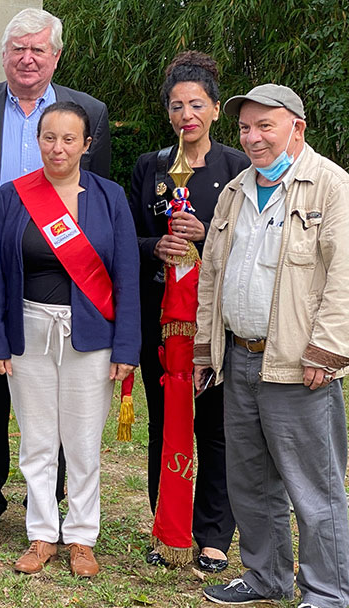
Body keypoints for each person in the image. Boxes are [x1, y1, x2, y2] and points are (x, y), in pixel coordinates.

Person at [0, 7, 112, 538]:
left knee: (63, 394)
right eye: (18, 48)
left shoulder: (86, 110)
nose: (27, 58)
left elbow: (99, 203)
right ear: (4, 55)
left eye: (38, 49)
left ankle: (56, 496)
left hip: (60, 270)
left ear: (55, 56)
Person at [196, 84, 349, 608]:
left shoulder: (330, 186)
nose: (253, 137)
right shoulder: (236, 189)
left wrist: (327, 350)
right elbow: (212, 274)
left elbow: (344, 276)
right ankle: (265, 578)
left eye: (266, 126)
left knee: (315, 486)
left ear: (297, 129)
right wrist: (203, 348)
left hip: (298, 364)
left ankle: (327, 593)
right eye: (245, 128)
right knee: (250, 482)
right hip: (238, 356)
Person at [0, 101, 139, 577]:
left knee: (84, 442)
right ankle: (42, 533)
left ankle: (82, 537)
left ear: (86, 145)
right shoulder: (13, 197)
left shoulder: (109, 197)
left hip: (91, 335)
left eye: (70, 139)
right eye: (49, 137)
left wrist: (127, 347)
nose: (58, 147)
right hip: (27, 332)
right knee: (37, 439)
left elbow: (127, 275)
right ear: (38, 142)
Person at [129, 51, 249, 572]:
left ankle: (215, 533)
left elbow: (256, 246)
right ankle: (167, 527)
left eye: (196, 104)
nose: (186, 115)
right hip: (161, 318)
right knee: (165, 421)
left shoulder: (239, 168)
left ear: (217, 109)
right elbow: (125, 237)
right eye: (176, 106)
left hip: (216, 319)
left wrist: (211, 238)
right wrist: (155, 246)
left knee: (216, 427)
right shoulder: (150, 168)